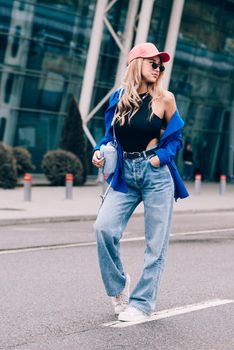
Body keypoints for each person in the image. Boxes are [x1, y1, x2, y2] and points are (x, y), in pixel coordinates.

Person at [92, 42, 189, 322]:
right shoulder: (119, 98)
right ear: (137, 64)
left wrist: (159, 158)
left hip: (156, 174)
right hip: (124, 173)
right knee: (103, 229)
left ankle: (142, 304)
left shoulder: (165, 99)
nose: (158, 70)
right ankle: (119, 287)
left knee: (155, 244)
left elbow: (176, 138)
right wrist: (98, 152)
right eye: (153, 64)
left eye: (161, 66)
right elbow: (109, 136)